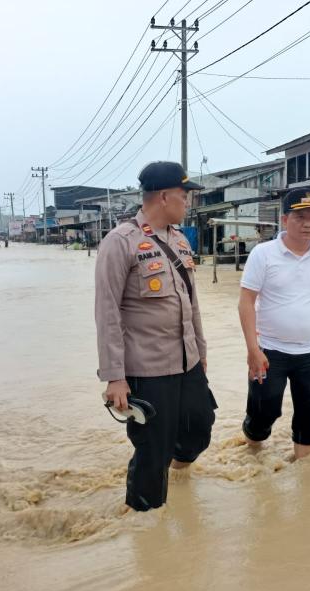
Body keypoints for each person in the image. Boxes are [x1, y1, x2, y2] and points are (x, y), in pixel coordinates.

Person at [94, 161, 216, 512]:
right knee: (152, 450)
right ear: (164, 197)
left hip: (187, 362)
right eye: (184, 195)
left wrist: (201, 351)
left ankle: (176, 475)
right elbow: (107, 313)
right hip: (147, 369)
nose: (188, 202)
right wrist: (115, 376)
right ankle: (144, 523)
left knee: (200, 427)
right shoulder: (120, 242)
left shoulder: (178, 241)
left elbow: (191, 304)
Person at [238, 188, 310, 460]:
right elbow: (246, 303)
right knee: (264, 412)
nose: (308, 223)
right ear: (284, 219)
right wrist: (253, 350)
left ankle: (307, 485)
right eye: (300, 217)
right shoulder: (263, 254)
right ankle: (253, 447)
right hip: (270, 352)